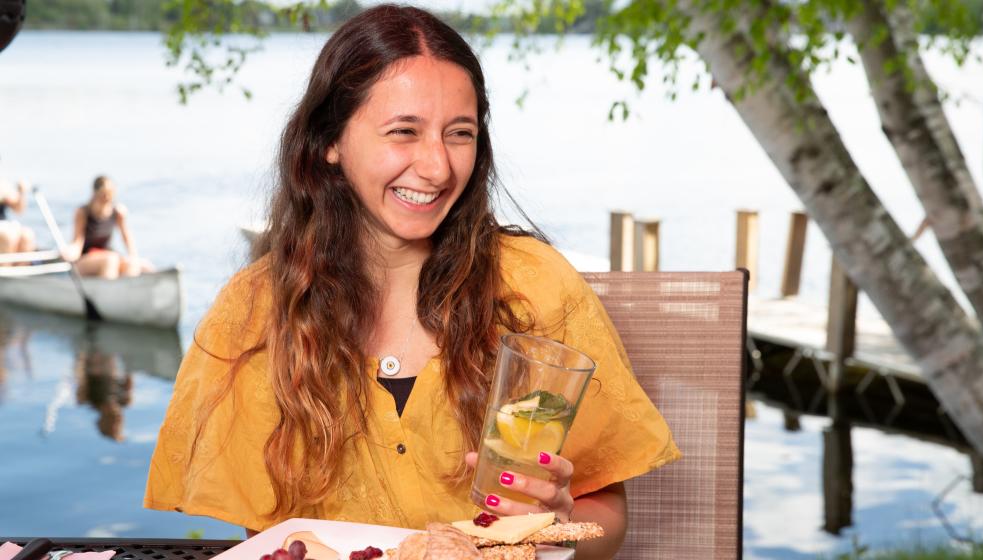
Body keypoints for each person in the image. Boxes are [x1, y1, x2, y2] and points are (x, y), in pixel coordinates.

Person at [143, 6, 680, 559]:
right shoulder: (255, 311)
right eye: (404, 131)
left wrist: (556, 523)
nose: (438, 167)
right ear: (330, 142)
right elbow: (269, 542)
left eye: (459, 134)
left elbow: (607, 524)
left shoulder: (536, 288)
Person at [64, 175, 152, 278]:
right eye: (103, 195)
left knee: (133, 263)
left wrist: (134, 257)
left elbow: (126, 237)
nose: (106, 198)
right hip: (86, 258)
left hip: (107, 253)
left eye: (109, 194)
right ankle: (108, 290)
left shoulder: (117, 212)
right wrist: (69, 252)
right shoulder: (83, 212)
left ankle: (129, 289)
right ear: (95, 194)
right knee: (110, 260)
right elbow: (78, 242)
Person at [0, 177, 36, 255]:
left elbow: (19, 210)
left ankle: (23, 266)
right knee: (8, 235)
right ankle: (5, 266)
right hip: (4, 230)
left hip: (4, 224)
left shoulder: (3, 184)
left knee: (27, 235)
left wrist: (21, 192)